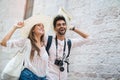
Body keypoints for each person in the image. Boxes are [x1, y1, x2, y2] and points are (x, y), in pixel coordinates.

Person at [45, 15, 89, 80]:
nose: (62, 26)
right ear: (54, 28)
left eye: (64, 24)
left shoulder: (69, 42)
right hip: (49, 77)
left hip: (63, 77)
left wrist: (74, 28)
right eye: (59, 25)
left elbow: (88, 38)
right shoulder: (48, 40)